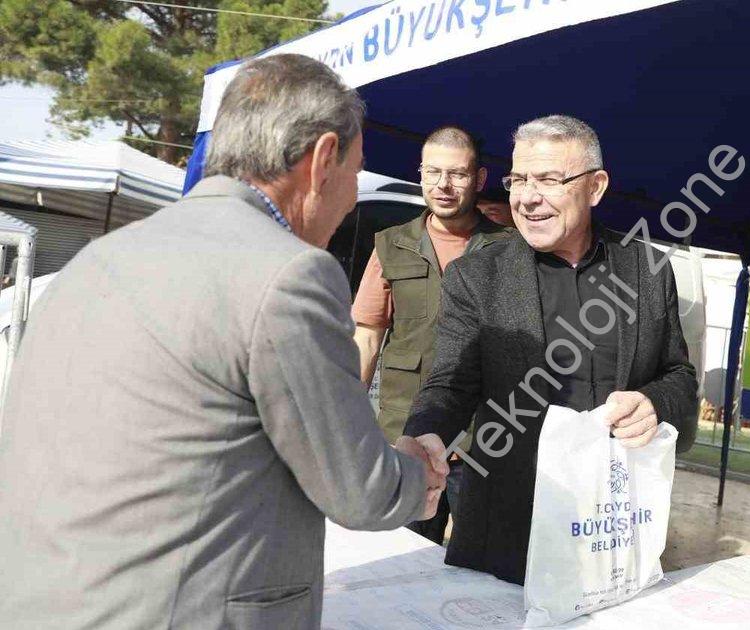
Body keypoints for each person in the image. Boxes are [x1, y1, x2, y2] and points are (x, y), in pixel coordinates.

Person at [0, 54, 448, 629]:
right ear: (324, 160)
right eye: (358, 171)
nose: (353, 197)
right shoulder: (289, 275)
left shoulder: (99, 258)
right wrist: (417, 474)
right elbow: (362, 490)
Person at [403, 114, 698, 585]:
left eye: (548, 179)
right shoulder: (478, 276)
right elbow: (450, 385)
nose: (525, 196)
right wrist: (424, 437)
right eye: (518, 178)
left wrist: (654, 403)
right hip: (506, 535)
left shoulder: (648, 271)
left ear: (595, 187)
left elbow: (679, 376)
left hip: (612, 529)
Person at [351, 125, 513, 544]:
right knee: (396, 556)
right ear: (420, 173)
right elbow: (367, 339)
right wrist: (348, 422)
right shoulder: (390, 245)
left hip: (484, 441)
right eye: (433, 172)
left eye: (457, 174)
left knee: (480, 563)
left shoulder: (510, 249)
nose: (443, 185)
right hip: (404, 439)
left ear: (478, 180)